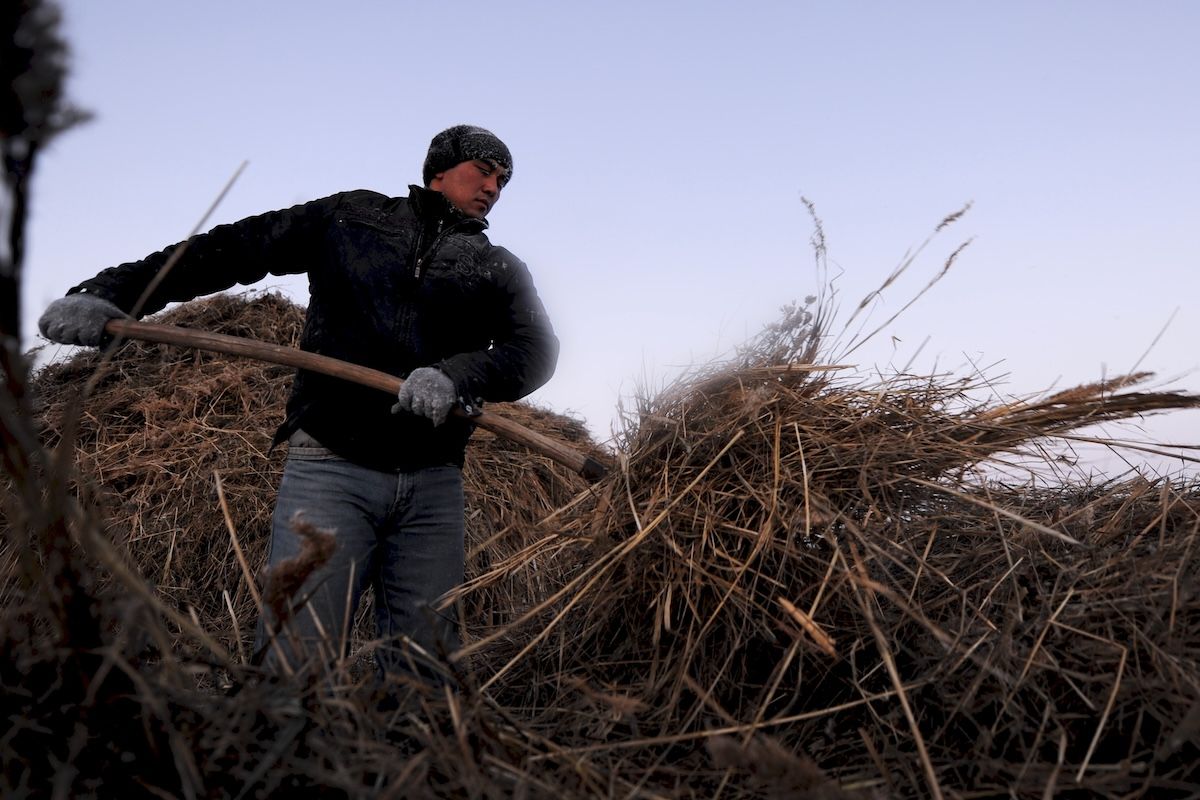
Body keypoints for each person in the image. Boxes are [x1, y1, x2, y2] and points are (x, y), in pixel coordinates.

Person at [38, 124, 559, 683]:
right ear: (440, 167)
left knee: (426, 669)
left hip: (434, 483)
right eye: (483, 170)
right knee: (296, 658)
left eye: (503, 181)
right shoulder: (352, 219)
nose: (494, 188)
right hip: (332, 465)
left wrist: (455, 376)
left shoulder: (497, 266)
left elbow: (536, 350)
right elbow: (234, 247)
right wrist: (112, 291)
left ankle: (412, 761)